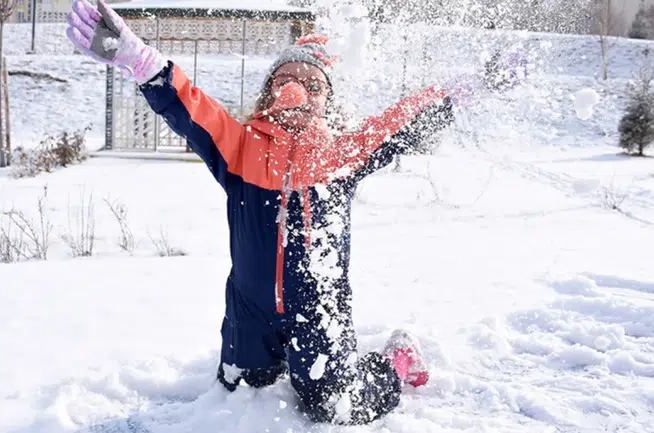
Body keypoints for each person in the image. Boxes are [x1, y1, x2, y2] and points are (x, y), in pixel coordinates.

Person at [66, 0, 526, 425]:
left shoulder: (342, 154)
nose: (295, 90)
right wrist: (140, 59)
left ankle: (395, 361)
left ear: (328, 98)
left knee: (335, 404)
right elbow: (192, 108)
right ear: (268, 91)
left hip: (319, 312)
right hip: (250, 310)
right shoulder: (238, 145)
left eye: (310, 83)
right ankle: (266, 361)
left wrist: (475, 85)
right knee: (238, 391)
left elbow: (402, 120)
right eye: (284, 79)